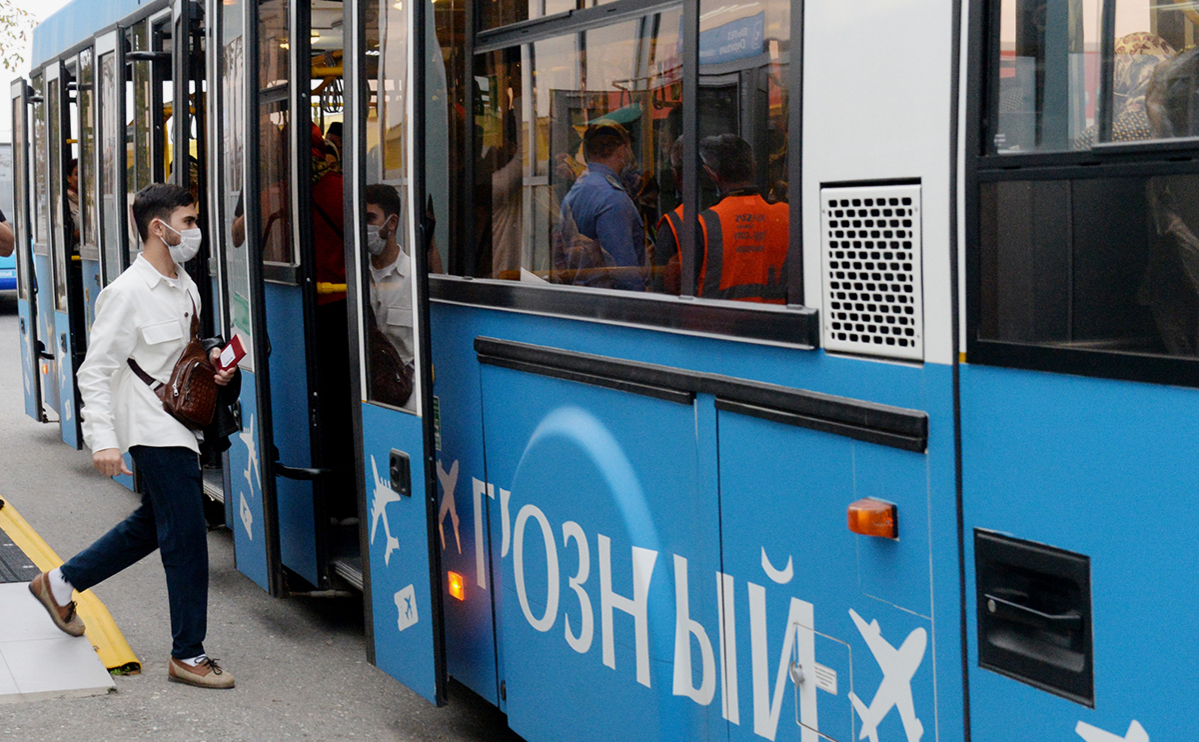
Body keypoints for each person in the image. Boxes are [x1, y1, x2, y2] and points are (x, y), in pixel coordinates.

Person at [27, 183, 237, 689]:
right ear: (157, 228)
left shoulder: (186, 284)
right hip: (149, 424)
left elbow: (179, 357)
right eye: (188, 222)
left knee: (153, 524)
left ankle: (57, 583)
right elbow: (94, 371)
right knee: (186, 536)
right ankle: (188, 654)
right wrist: (102, 440)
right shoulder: (124, 293)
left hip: (179, 421)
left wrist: (213, 364)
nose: (195, 231)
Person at [693, 134, 788, 303]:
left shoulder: (704, 224)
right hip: (780, 325)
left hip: (718, 326)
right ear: (754, 168)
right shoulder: (786, 215)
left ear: (711, 174)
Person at [556, 122, 647, 291]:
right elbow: (624, 273)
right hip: (611, 303)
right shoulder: (613, 198)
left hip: (584, 295)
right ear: (622, 151)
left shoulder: (576, 190)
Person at [365, 184, 415, 407]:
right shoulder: (352, 278)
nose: (363, 227)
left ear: (392, 222)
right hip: (366, 396)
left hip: (407, 400)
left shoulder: (414, 278)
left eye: (369, 218)